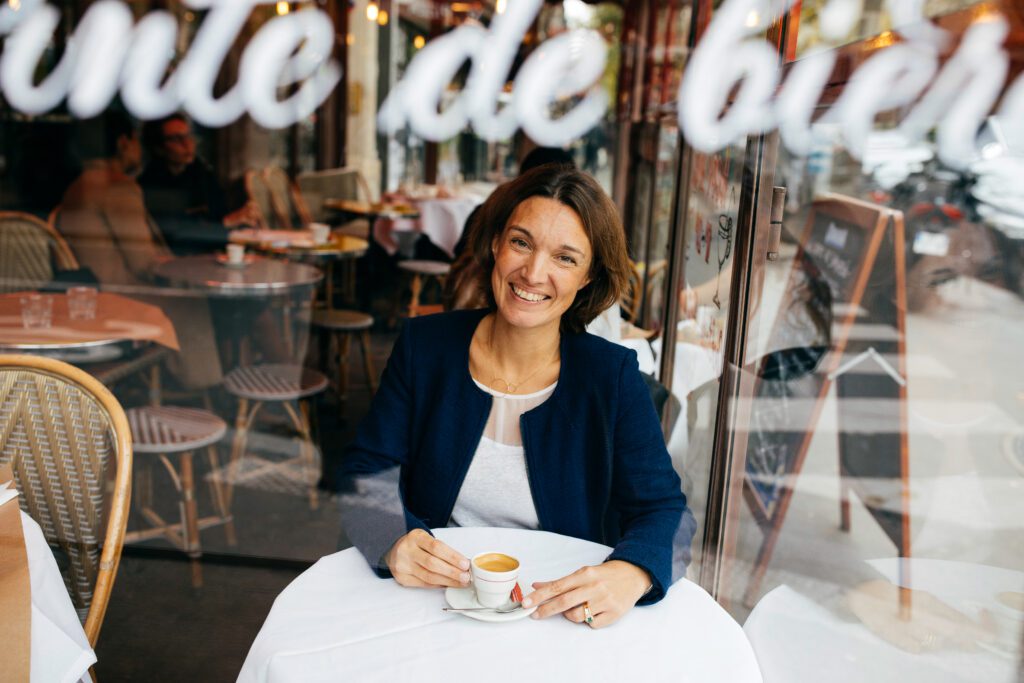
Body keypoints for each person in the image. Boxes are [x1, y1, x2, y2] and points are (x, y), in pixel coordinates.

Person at [339, 165, 693, 629]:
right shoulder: (424, 348)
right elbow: (364, 472)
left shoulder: (611, 376)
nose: (533, 272)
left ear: (587, 277)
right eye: (521, 243)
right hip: (431, 602)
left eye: (565, 258)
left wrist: (632, 572)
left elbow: (666, 511)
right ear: (495, 244)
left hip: (554, 613)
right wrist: (392, 539)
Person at [55, 110, 222, 389]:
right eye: (136, 141)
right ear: (123, 142)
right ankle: (204, 389)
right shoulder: (117, 186)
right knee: (193, 301)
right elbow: (143, 262)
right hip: (120, 297)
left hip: (89, 295)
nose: (139, 149)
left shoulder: (77, 186)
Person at [138, 113, 259, 254]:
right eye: (177, 139)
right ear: (158, 148)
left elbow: (220, 211)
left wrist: (242, 218)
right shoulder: (152, 184)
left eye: (188, 136)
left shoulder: (201, 173)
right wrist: (227, 222)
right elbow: (177, 235)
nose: (187, 144)